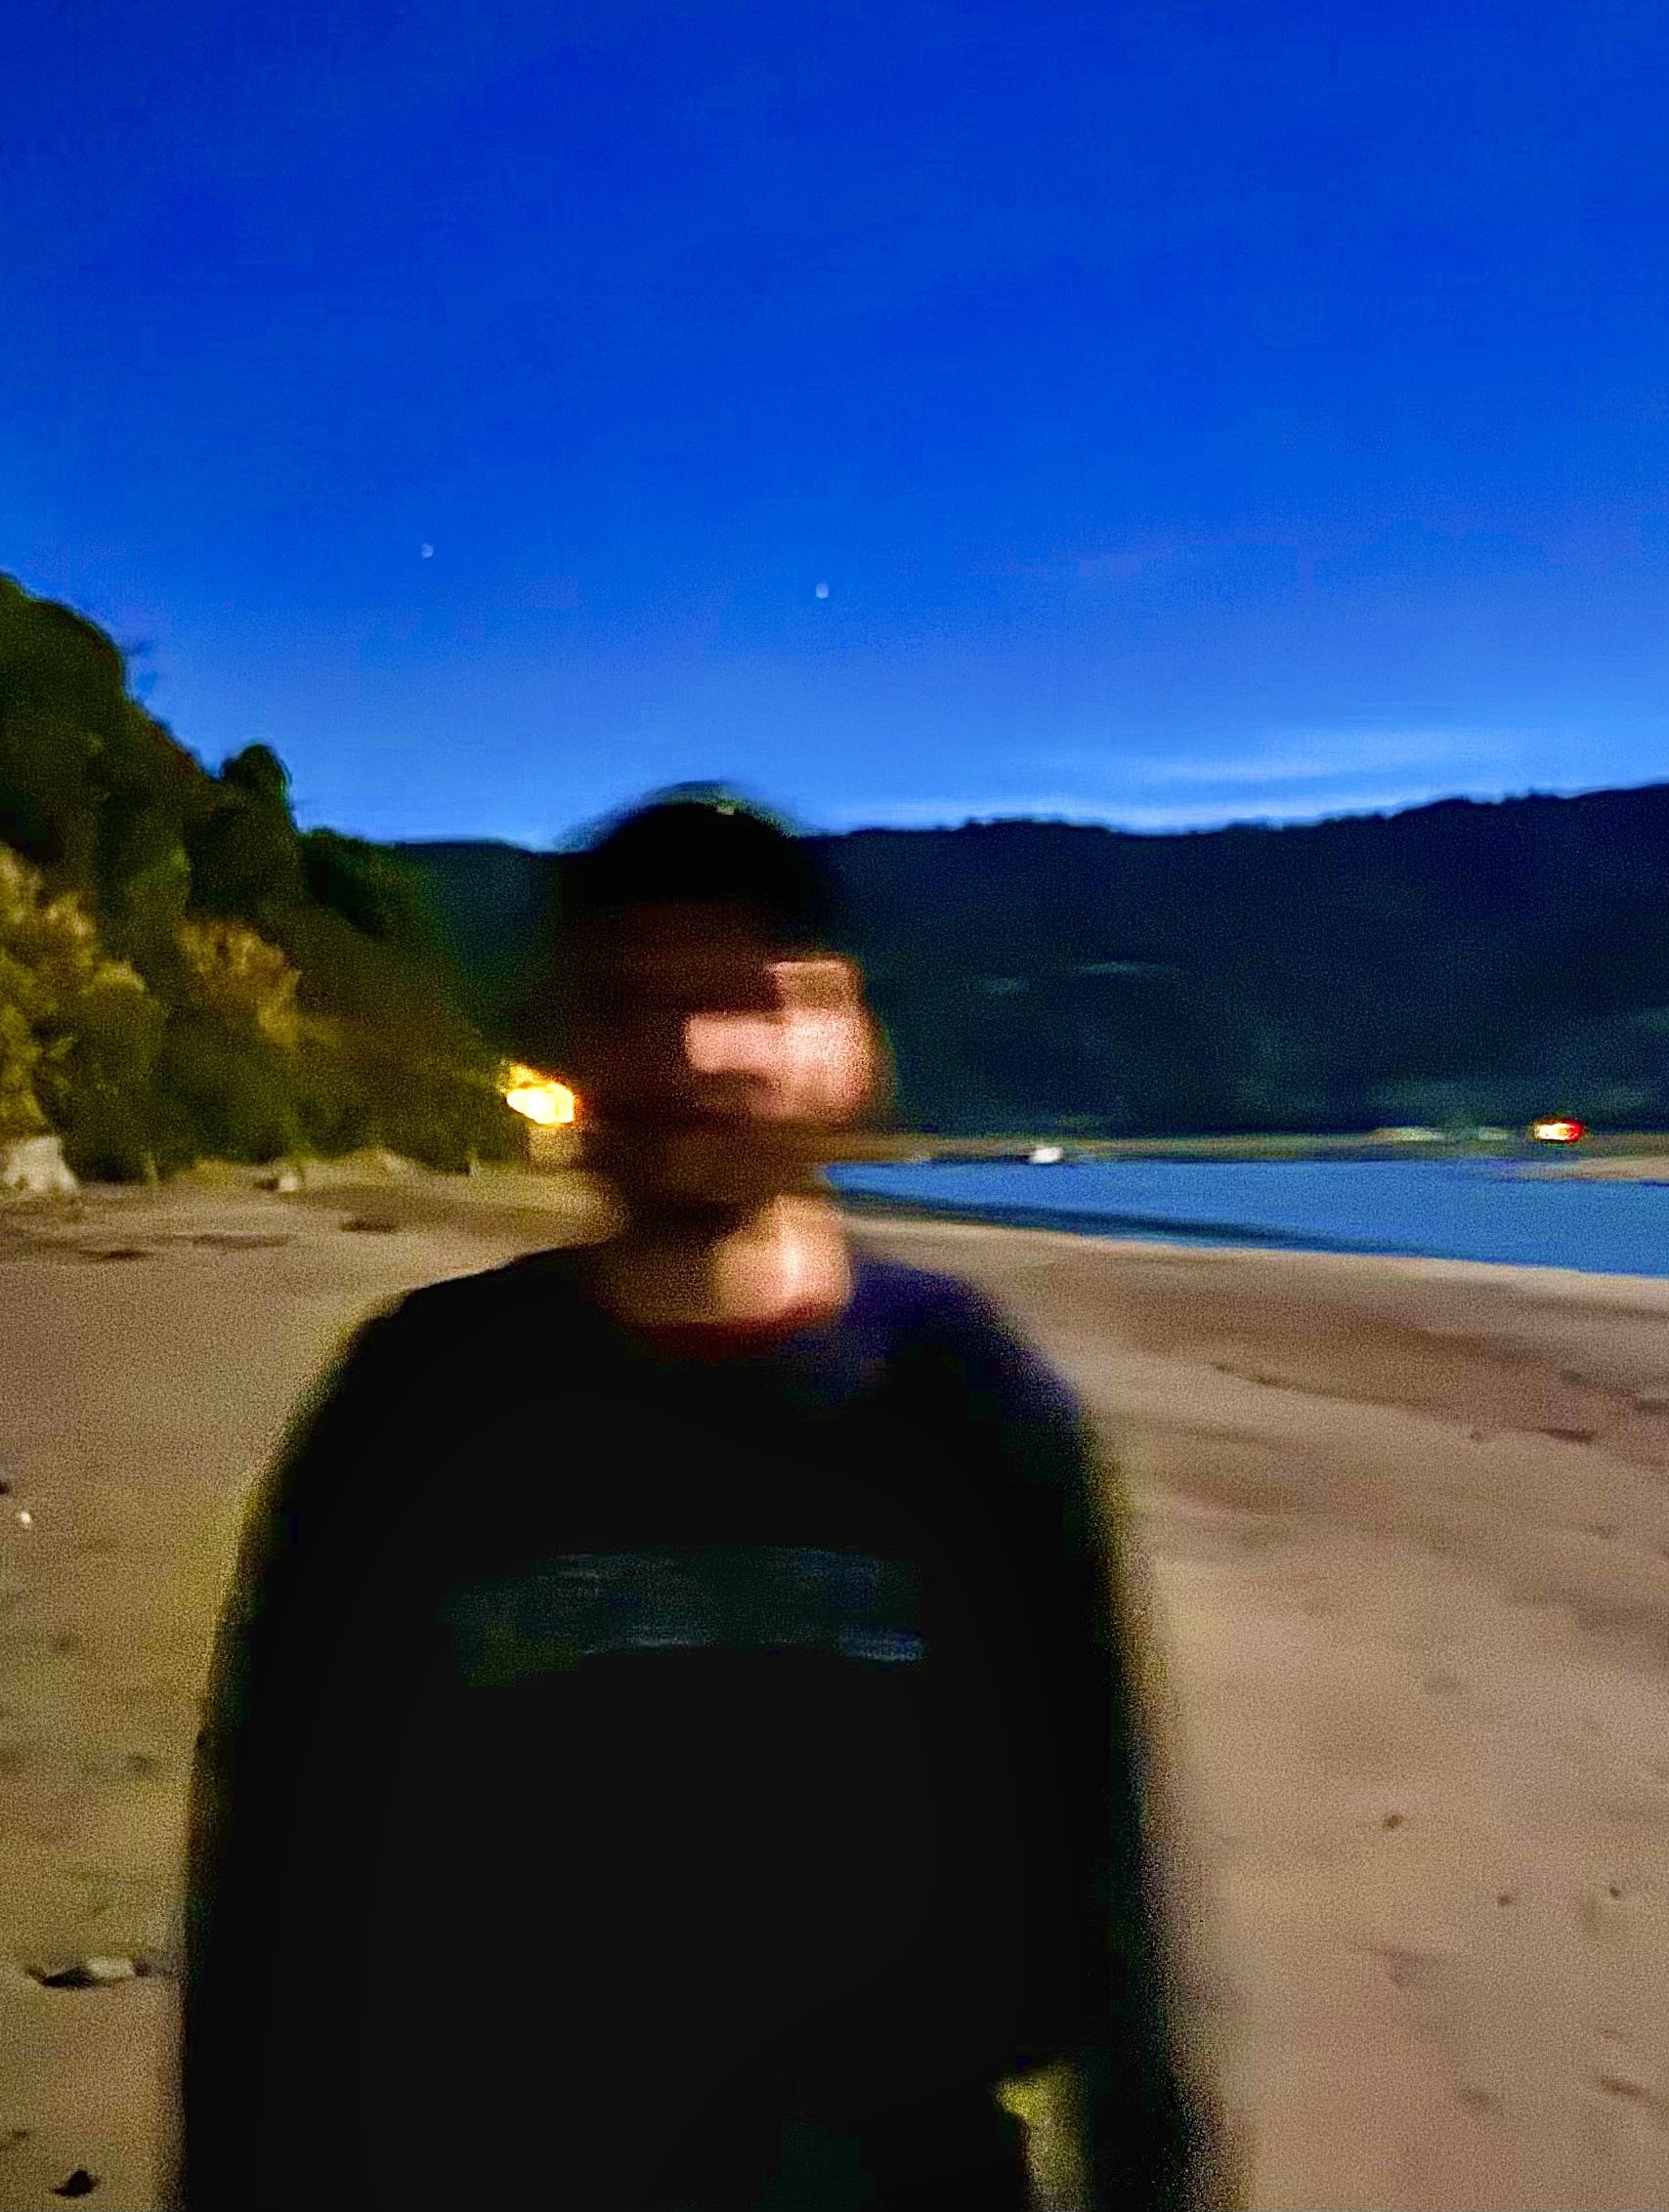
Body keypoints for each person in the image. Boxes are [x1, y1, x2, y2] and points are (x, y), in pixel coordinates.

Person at [175, 791, 1230, 2211]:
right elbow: (272, 1922)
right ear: (565, 1050)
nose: (688, 1051)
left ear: (848, 1039)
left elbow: (1114, 1919)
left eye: (746, 997)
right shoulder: (417, 1410)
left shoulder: (966, 1410)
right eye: (630, 1001)